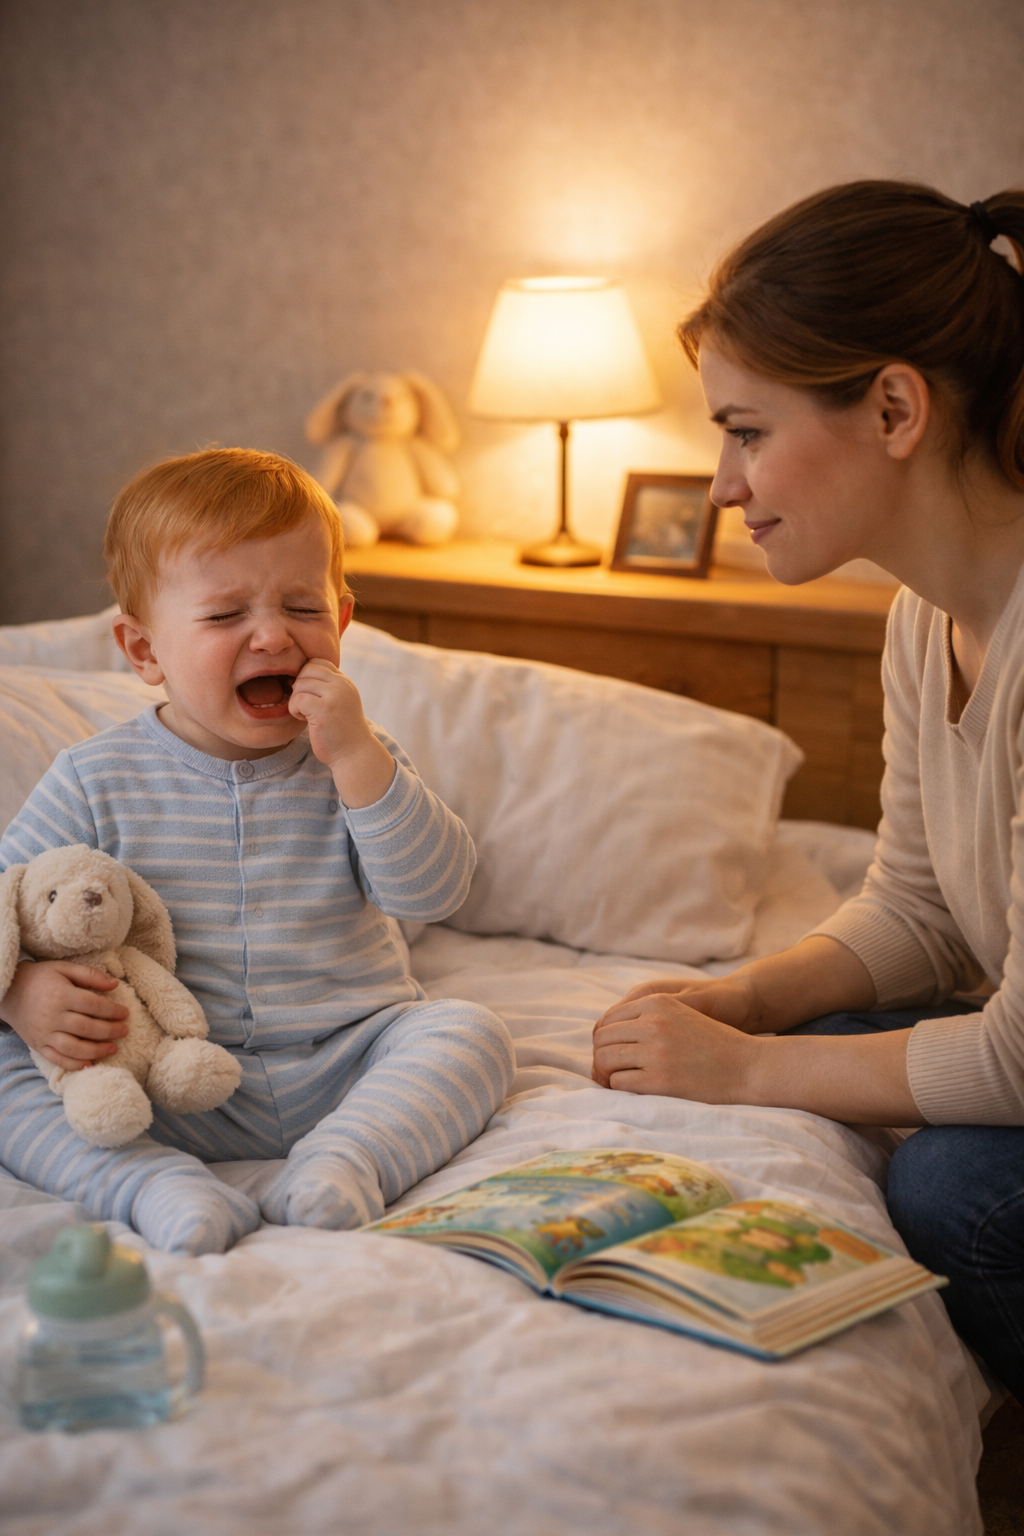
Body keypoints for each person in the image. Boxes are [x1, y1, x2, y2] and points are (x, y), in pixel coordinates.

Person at [591, 181, 1024, 1400]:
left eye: (744, 430)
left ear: (893, 406)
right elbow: (920, 907)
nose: (721, 487)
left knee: (956, 1192)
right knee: (820, 1033)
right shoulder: (918, 618)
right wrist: (744, 1001)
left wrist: (740, 1073)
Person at [0, 448, 514, 1255]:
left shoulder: (358, 757)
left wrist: (357, 761)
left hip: (349, 1061)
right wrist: (22, 993)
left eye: (302, 608)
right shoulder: (95, 779)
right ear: (144, 652)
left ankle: (344, 1165)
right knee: (10, 1073)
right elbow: (7, 901)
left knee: (469, 1033)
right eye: (224, 615)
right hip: (166, 1078)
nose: (272, 635)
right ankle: (149, 1185)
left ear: (342, 622)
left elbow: (434, 892)